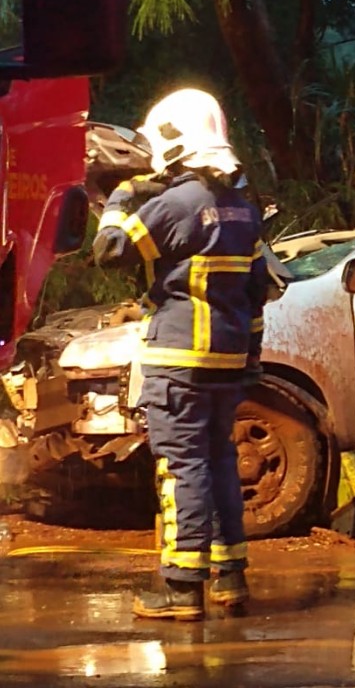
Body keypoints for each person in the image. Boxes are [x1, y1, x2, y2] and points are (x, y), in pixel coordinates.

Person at [94, 87, 269, 620]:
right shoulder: (243, 208)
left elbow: (109, 252)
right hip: (229, 361)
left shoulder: (178, 203)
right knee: (218, 464)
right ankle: (229, 577)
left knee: (181, 469)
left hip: (178, 361)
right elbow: (258, 289)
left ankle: (181, 588)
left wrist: (123, 197)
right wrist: (253, 360)